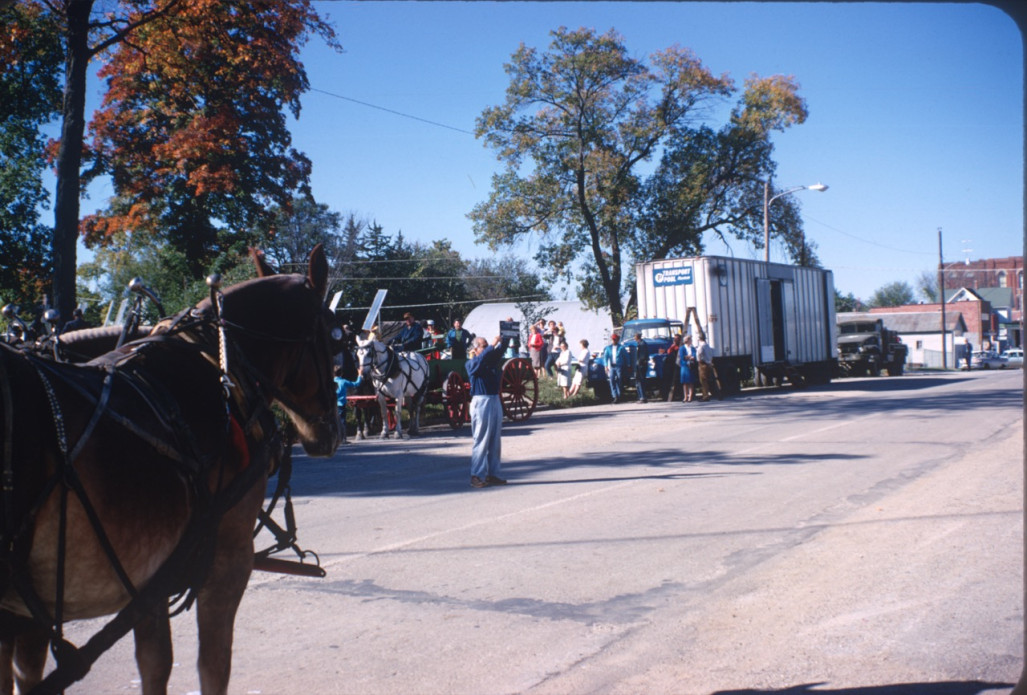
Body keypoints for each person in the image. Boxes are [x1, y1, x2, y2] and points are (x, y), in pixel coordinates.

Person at [466, 334, 512, 488]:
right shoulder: (472, 363)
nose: (487, 348)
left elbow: (501, 350)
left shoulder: (490, 360)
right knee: (481, 439)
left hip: (494, 399)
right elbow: (478, 362)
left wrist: (506, 334)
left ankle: (493, 474)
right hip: (481, 401)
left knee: (494, 440)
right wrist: (492, 344)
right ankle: (476, 475)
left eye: (486, 346)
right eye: (483, 346)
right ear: (475, 349)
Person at [334, 366, 363, 445]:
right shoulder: (343, 382)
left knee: (334, 422)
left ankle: (335, 438)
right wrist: (359, 375)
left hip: (333, 405)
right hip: (341, 404)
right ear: (342, 373)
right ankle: (343, 438)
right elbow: (356, 384)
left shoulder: (330, 382)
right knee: (342, 421)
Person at [602, 333, 629, 404]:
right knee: (611, 380)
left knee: (619, 379)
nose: (613, 341)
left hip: (619, 366)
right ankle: (614, 396)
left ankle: (619, 395)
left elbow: (626, 357)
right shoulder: (608, 348)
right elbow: (605, 358)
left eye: (615, 339)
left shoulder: (621, 348)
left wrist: (628, 365)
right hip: (612, 366)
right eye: (613, 339)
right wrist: (606, 366)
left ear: (617, 340)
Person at [696, 333, 720, 401]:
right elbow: (711, 354)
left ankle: (705, 396)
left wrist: (699, 360)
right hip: (709, 363)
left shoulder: (701, 346)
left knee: (703, 380)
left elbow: (699, 354)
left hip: (703, 364)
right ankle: (718, 394)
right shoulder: (707, 346)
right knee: (712, 380)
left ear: (700, 339)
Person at [678, 334, 699, 403]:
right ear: (687, 341)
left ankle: (690, 397)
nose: (691, 341)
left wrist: (689, 357)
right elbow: (682, 357)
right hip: (684, 366)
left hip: (691, 366)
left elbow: (694, 355)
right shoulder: (682, 348)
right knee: (685, 382)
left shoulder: (692, 348)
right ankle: (685, 397)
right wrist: (689, 357)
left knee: (691, 382)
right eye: (690, 340)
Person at [663, 334, 683, 401]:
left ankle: (681, 394)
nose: (675, 340)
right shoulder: (673, 346)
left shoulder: (680, 346)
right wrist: (673, 346)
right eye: (674, 338)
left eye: (677, 338)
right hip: (673, 365)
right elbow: (669, 351)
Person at [632, 332, 650, 403]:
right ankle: (641, 396)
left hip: (641, 366)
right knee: (639, 381)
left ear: (637, 337)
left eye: (634, 336)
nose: (634, 338)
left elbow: (642, 356)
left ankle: (642, 397)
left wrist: (638, 363)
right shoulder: (641, 343)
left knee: (640, 381)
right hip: (640, 365)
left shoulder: (642, 344)